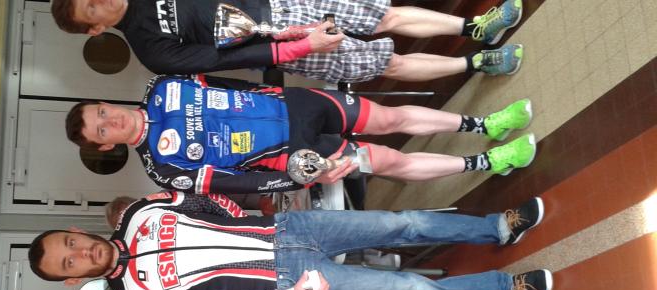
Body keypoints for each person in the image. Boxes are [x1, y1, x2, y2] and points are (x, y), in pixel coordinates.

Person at [27, 191, 553, 290]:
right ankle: (506, 286)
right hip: (288, 283)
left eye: (71, 241)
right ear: (72, 279)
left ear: (76, 230)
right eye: (69, 261)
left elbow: (203, 201)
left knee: (403, 223)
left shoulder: (140, 213)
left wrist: (252, 218)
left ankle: (496, 227)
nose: (81, 251)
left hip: (290, 229)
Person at [65, 74, 535, 193]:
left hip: (296, 104)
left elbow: (227, 83)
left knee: (389, 118)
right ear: (105, 144)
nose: (111, 120)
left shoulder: (161, 85)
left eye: (103, 110)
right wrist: (301, 177)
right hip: (295, 153)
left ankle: (485, 124)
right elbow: (239, 183)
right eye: (102, 128)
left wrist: (276, 88)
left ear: (107, 102)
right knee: (390, 161)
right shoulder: (163, 167)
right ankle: (488, 161)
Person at [50, 0, 526, 84]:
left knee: (386, 16)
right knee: (388, 65)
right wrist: (300, 48)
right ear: (95, 29)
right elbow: (223, 57)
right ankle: (477, 64)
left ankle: (474, 28)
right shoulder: (151, 50)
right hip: (286, 40)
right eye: (91, 8)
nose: (101, 0)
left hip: (281, 1)